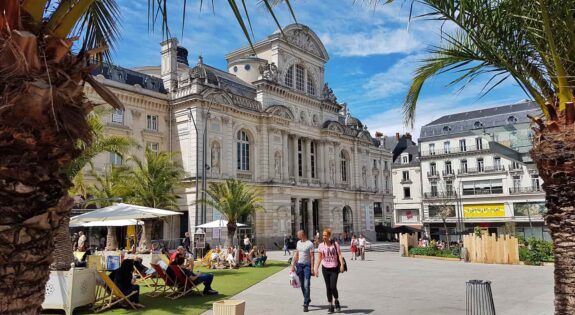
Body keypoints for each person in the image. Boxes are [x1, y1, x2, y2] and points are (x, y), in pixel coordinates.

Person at [315, 228, 344, 314]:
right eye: (323, 235)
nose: (323, 237)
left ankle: (337, 300)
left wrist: (342, 265)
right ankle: (330, 305)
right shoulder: (321, 245)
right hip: (325, 268)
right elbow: (319, 258)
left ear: (329, 236)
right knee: (328, 287)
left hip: (334, 268)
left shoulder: (335, 244)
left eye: (325, 235)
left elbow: (339, 255)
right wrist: (316, 269)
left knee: (333, 287)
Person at [291, 230, 315, 312]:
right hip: (299, 266)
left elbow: (312, 257)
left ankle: (305, 303)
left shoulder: (310, 244)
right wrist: (293, 265)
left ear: (302, 234)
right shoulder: (298, 243)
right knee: (302, 284)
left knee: (306, 284)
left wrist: (312, 268)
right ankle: (307, 298)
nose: (297, 235)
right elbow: (296, 254)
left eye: (298, 234)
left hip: (307, 266)